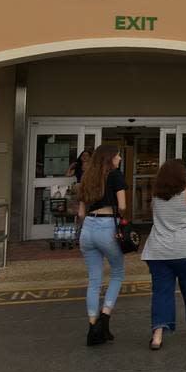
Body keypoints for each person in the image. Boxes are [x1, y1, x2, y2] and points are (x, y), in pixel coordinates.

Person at [141, 159, 186, 351]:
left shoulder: (156, 197)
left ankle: (157, 335)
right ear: (182, 175)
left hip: (158, 250)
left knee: (161, 291)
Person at [76, 144, 127, 347]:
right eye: (118, 155)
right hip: (107, 226)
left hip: (88, 228)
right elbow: (122, 206)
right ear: (109, 158)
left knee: (94, 280)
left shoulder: (86, 177)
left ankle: (92, 326)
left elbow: (80, 213)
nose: (120, 159)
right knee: (117, 273)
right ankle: (105, 317)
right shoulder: (116, 176)